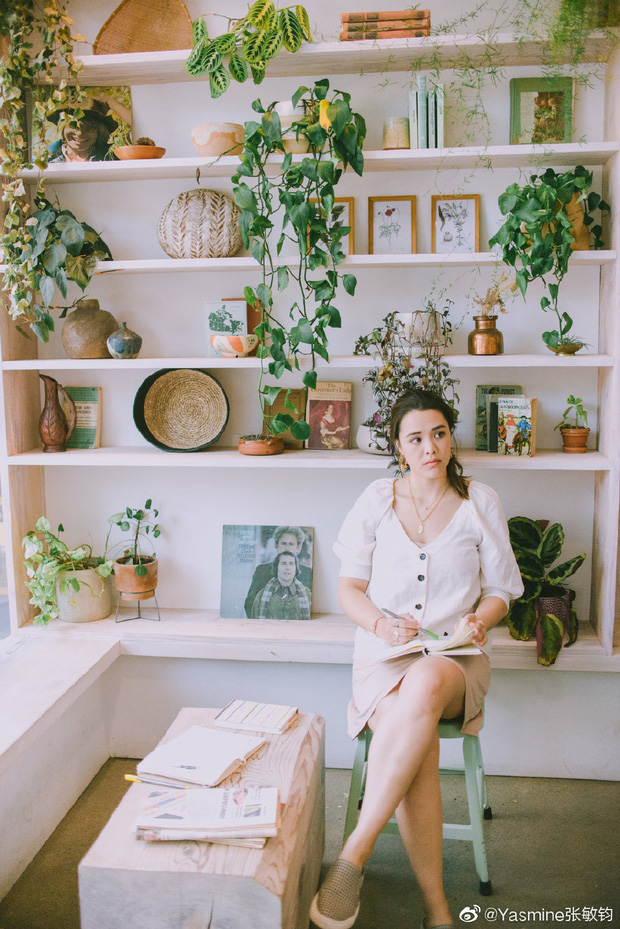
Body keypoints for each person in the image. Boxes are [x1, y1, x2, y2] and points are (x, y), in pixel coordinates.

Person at [310, 388, 523, 929]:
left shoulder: (480, 502)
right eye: (416, 438)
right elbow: (349, 590)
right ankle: (437, 910)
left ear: (451, 437)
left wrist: (482, 618)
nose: (430, 447)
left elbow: (502, 590)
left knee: (425, 685)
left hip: (455, 659)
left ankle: (355, 852)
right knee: (417, 741)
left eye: (439, 433)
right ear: (399, 447)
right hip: (385, 658)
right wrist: (381, 625)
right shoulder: (377, 500)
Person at [244, 526, 312, 617]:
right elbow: (250, 604)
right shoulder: (262, 571)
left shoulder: (307, 573)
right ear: (277, 546)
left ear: (298, 548)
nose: (287, 548)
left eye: (291, 544)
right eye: (283, 543)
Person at [47, 96, 128, 163]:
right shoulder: (46, 158)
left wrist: (110, 101)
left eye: (89, 127)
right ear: (63, 127)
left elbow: (135, 126)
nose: (79, 133)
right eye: (73, 125)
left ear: (100, 131)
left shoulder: (112, 157)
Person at [249, 551, 311, 620]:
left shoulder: (308, 594)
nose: (287, 568)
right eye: (283, 563)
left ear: (296, 568)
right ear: (277, 567)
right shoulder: (261, 595)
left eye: (291, 564)